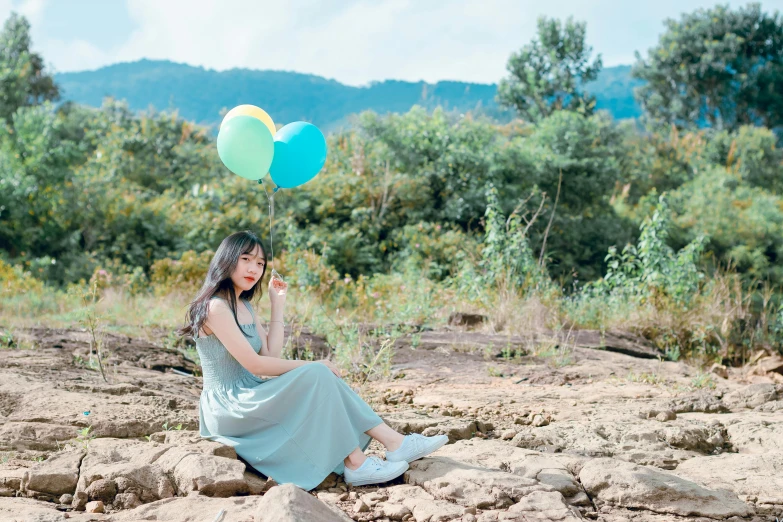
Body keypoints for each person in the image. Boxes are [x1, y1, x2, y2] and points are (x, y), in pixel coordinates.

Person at [178, 230, 447, 489]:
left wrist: (278, 304)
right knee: (317, 374)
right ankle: (364, 459)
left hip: (251, 394)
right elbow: (257, 365)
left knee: (318, 377)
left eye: (260, 263)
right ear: (227, 259)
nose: (254, 269)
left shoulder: (244, 306)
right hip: (229, 405)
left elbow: (271, 356)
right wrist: (313, 365)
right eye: (246, 259)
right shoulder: (216, 307)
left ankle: (392, 446)